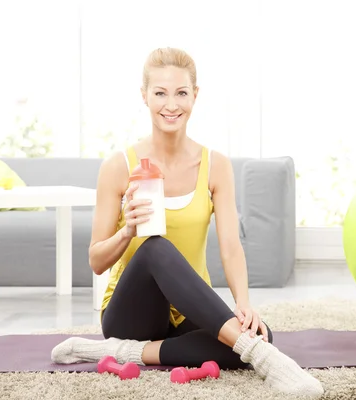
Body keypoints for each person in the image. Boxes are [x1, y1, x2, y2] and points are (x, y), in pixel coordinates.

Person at [51, 47, 323, 398]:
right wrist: (127, 230)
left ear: (195, 95)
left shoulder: (216, 165)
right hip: (132, 315)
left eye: (181, 93)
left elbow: (229, 245)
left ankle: (119, 352)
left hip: (187, 311)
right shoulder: (118, 166)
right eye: (160, 93)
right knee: (155, 248)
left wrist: (243, 304)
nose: (171, 104)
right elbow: (96, 260)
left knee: (258, 332)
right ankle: (267, 361)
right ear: (144, 96)